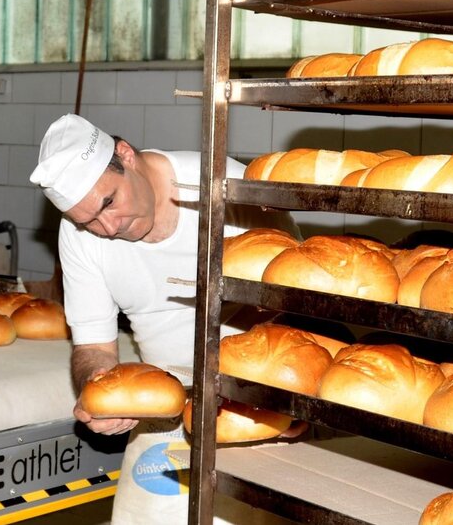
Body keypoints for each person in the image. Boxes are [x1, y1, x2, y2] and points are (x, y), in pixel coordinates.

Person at [29, 113, 297, 524]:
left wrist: (292, 407)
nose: (109, 227)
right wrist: (99, 393)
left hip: (256, 404)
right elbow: (94, 348)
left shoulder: (226, 188)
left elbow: (296, 304)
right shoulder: (78, 235)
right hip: (164, 414)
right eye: (90, 221)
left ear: (126, 155)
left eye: (109, 202)